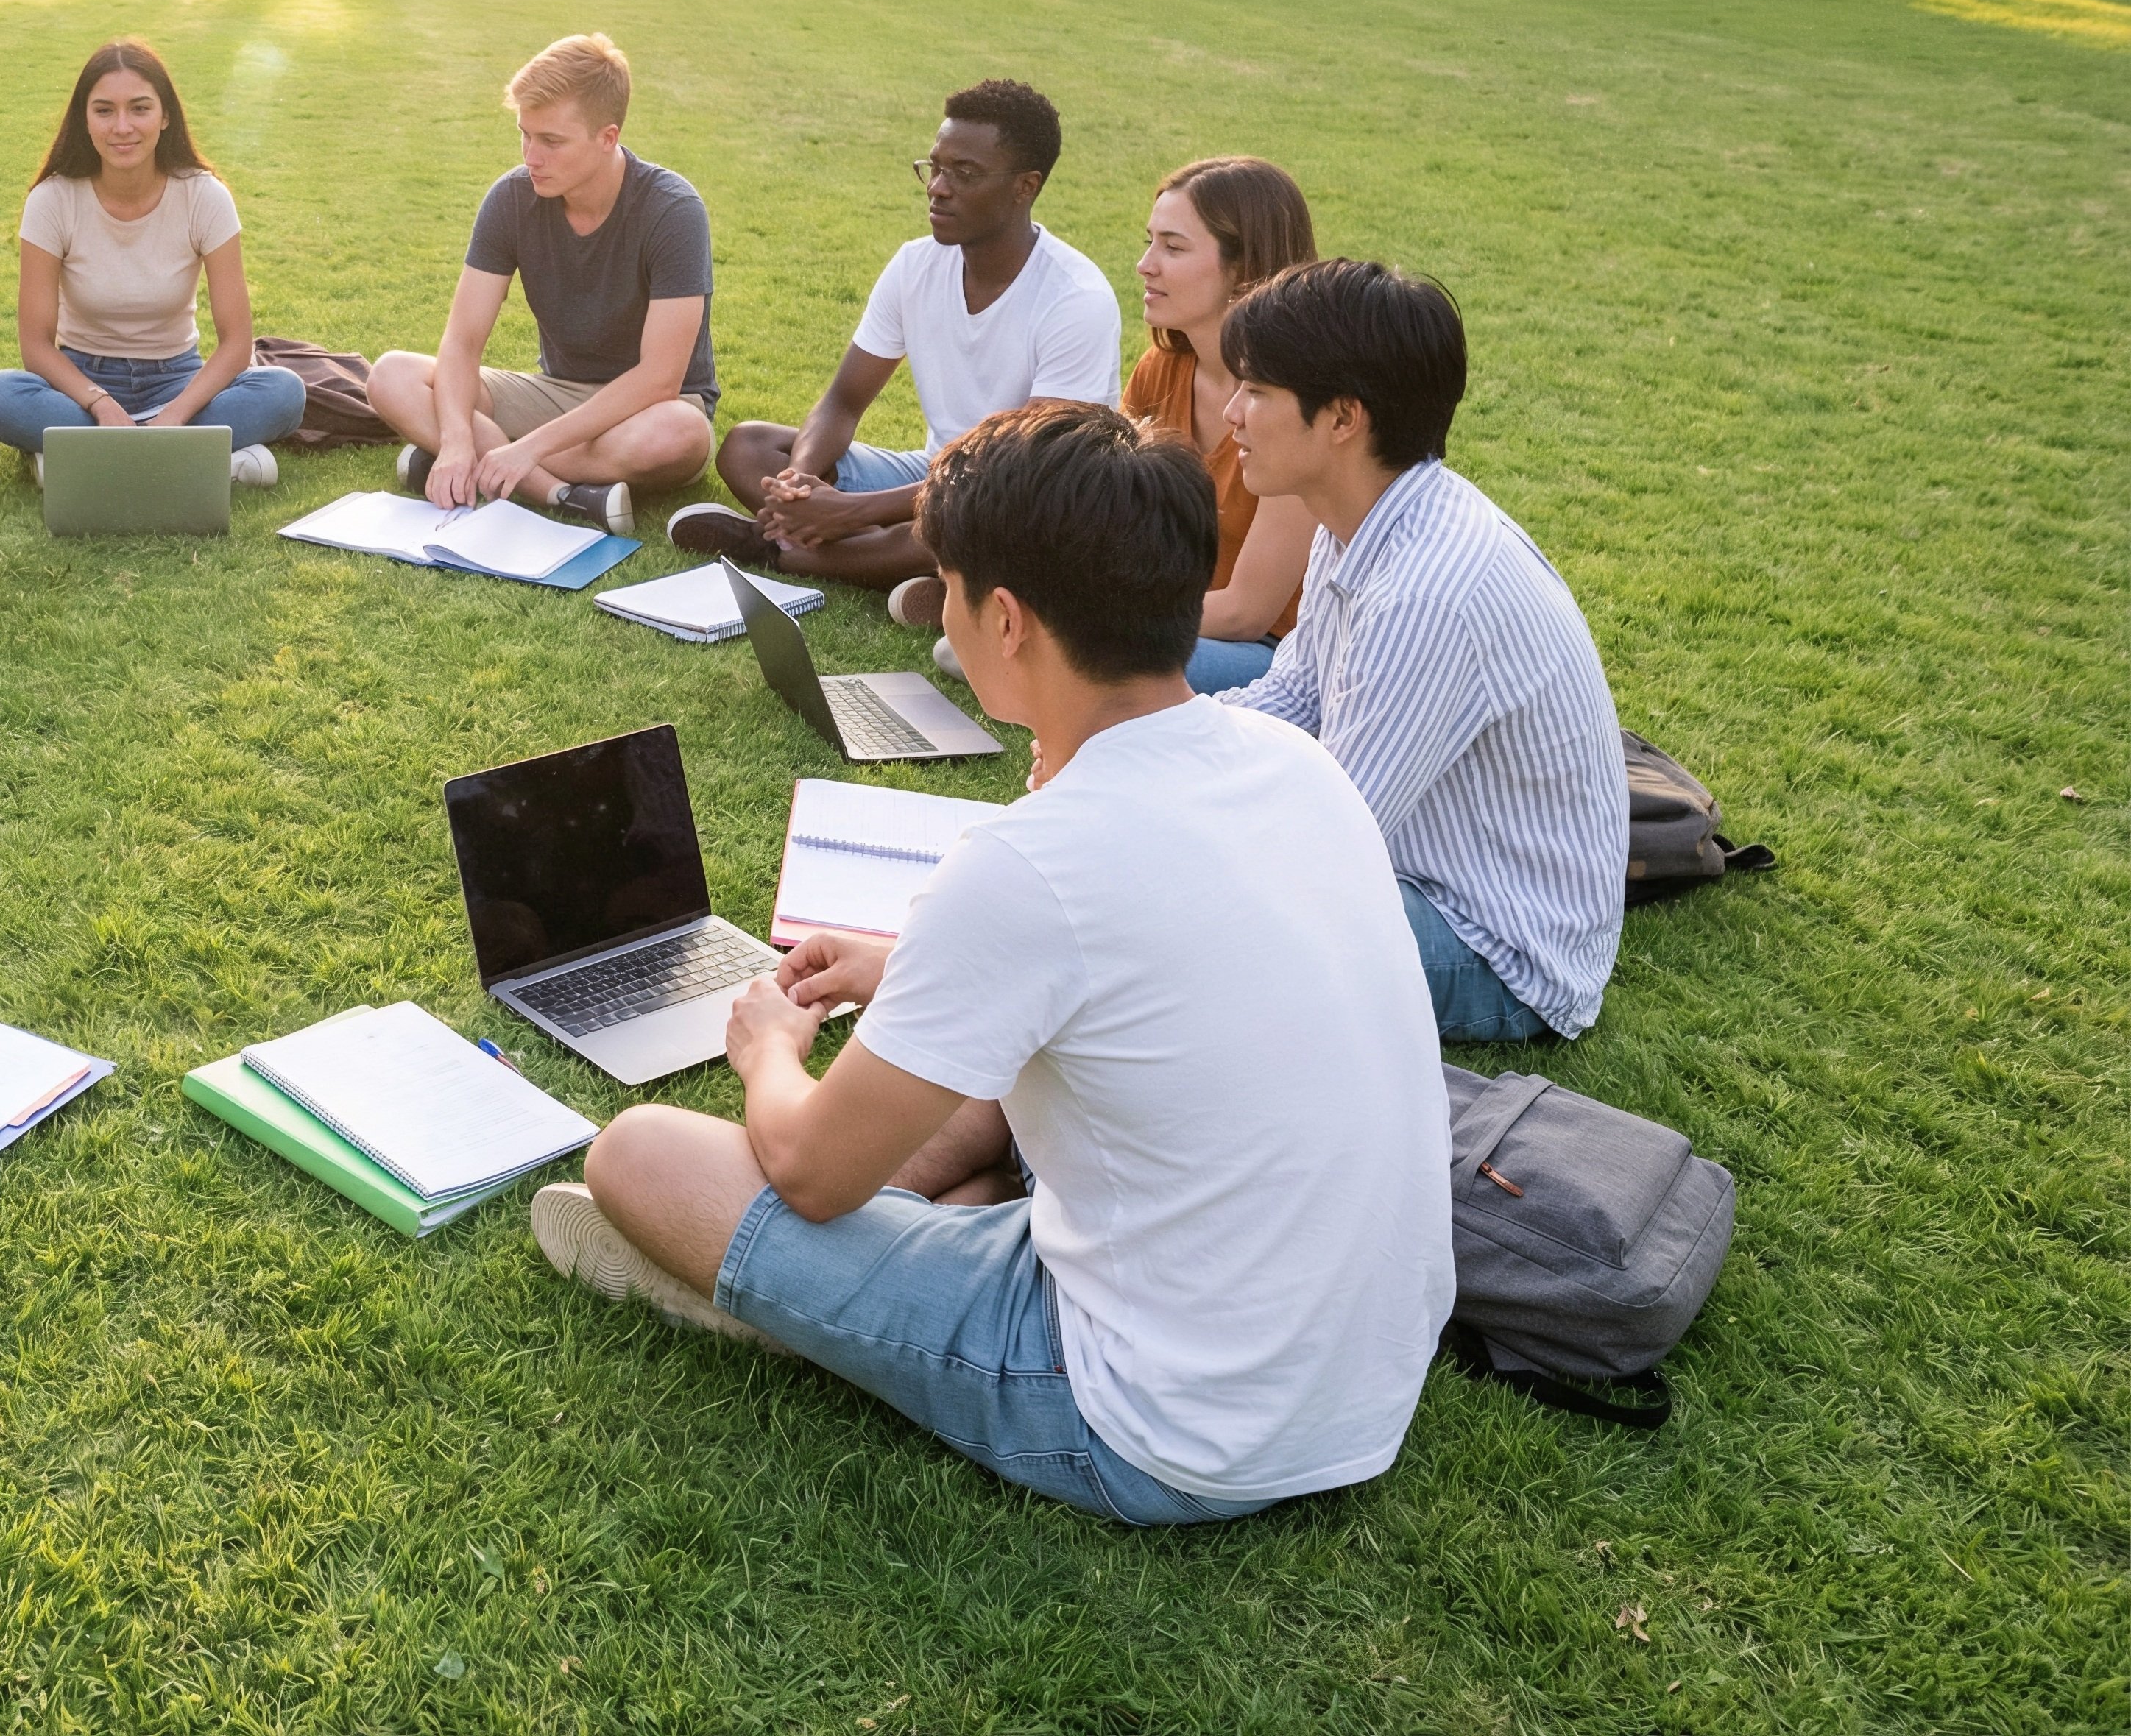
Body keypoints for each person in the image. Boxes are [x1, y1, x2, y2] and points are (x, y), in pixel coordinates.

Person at [537, 401, 1454, 1528]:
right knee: (971, 1124)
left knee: (642, 1155)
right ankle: (908, 1241)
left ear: (1006, 620)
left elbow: (813, 1169)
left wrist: (770, 1053)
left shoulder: (1030, 868)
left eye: (952, 584)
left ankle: (793, 1296)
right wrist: (902, 967)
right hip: (1355, 1379)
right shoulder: (1291, 761)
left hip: (1163, 1421)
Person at [1215, 258, 1628, 1042]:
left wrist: (1145, 810)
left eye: (1257, 391)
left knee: (1192, 929)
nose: (1231, 412)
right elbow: (1291, 694)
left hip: (1494, 949)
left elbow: (1325, 832)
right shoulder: (1358, 519)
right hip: (1413, 873)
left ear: (1341, 419)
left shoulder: (1426, 591)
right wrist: (1140, 747)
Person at [669, 79, 1119, 603]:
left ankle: (781, 551)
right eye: (934, 167)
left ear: (1026, 187)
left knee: (967, 522)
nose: (937, 188)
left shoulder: (1075, 298)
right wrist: (801, 482)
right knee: (751, 446)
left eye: (964, 174)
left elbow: (1024, 473)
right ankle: (904, 566)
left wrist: (849, 512)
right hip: (934, 474)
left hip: (1018, 499)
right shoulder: (916, 264)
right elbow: (843, 401)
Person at [366, 33, 717, 534]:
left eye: (551, 141)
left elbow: (659, 378)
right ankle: (563, 496)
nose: (532, 156)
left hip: (650, 408)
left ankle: (484, 466)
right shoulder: (512, 198)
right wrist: (459, 440)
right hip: (555, 393)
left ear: (608, 138)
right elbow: (463, 343)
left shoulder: (673, 211)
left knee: (678, 434)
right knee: (392, 376)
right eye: (525, 135)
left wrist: (521, 445)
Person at [0, 38, 307, 486]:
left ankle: (80, 459)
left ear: (165, 116)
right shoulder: (52, 200)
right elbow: (36, 344)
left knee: (284, 392)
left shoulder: (204, 196)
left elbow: (236, 344)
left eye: (140, 108)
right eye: (105, 110)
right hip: (80, 384)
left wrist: (176, 414)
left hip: (177, 379)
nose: (122, 127)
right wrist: (98, 402)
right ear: (84, 119)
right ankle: (201, 462)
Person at [1124, 157, 1321, 694]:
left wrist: (1096, 623)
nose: (1146, 264)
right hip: (1169, 618)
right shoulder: (1161, 370)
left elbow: (1247, 613)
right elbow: (1113, 521)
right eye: (1149, 241)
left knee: (1087, 666)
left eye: (1173, 247)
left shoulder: (1297, 403)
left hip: (1273, 653)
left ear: (1242, 269)